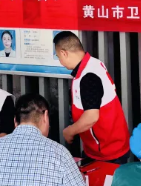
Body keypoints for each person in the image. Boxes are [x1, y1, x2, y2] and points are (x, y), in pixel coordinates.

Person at [53, 31, 130, 164]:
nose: (60, 62)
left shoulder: (88, 76)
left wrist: (70, 131)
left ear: (64, 53)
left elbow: (91, 116)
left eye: (58, 57)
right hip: (101, 146)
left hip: (108, 151)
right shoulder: (91, 64)